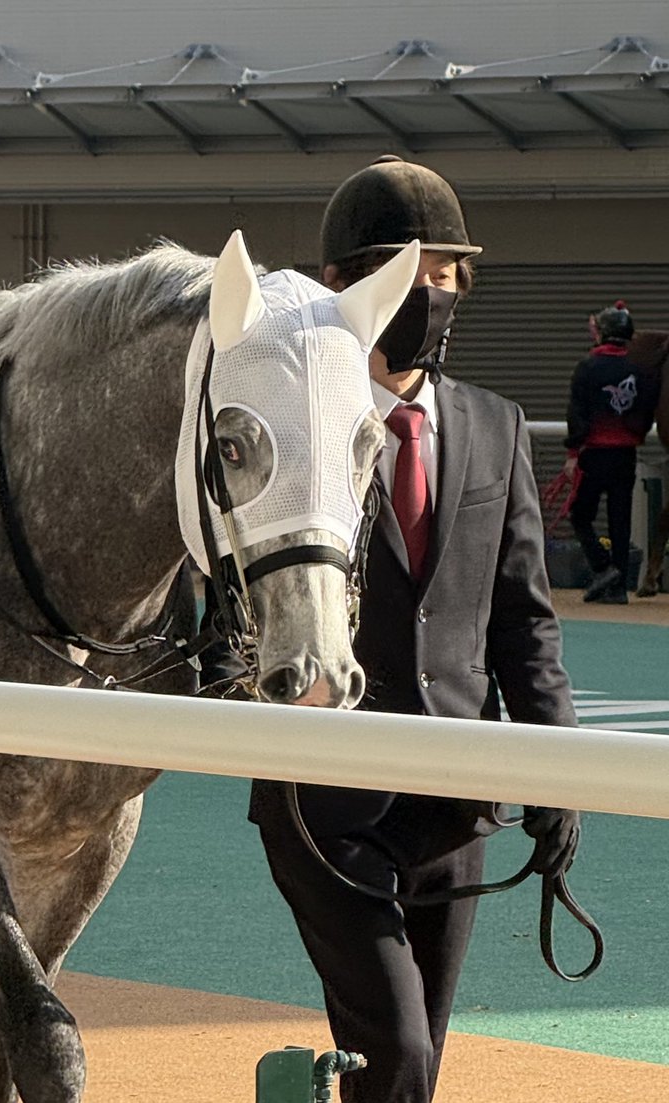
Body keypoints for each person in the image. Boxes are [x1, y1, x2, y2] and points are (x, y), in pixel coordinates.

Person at [246, 156, 581, 1103]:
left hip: (455, 803)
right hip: (327, 802)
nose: (428, 295)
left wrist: (558, 779)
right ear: (339, 289)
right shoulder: (302, 427)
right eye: (404, 272)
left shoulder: (496, 424)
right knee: (396, 1051)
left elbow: (524, 623)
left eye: (444, 276)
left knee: (416, 1059)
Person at [564, 301, 660, 604]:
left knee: (580, 516)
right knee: (620, 520)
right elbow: (645, 411)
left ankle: (603, 568)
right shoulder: (639, 369)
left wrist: (572, 452)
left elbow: (577, 412)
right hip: (626, 455)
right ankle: (617, 589)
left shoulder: (588, 366)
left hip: (594, 454)